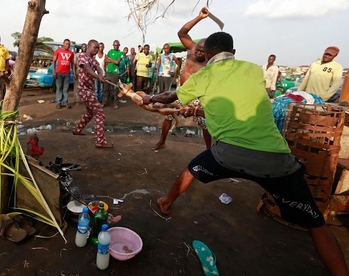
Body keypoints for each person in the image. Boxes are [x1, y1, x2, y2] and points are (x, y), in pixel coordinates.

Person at [142, 31, 349, 276]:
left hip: (229, 153)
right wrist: (198, 111)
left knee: (190, 171)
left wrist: (150, 97)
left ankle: (166, 204)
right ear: (234, 52)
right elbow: (233, 108)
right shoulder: (253, 70)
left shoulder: (203, 75)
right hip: (276, 157)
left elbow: (168, 97)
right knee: (317, 224)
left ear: (207, 54)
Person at [152, 7, 211, 151]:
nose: (199, 53)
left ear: (209, 52)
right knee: (168, 114)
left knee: (204, 123)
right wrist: (199, 17)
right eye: (198, 50)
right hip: (182, 91)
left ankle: (210, 150)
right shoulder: (191, 48)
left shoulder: (209, 61)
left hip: (197, 96)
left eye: (203, 52)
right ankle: (162, 141)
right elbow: (182, 32)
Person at [72, 39, 112, 148]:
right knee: (99, 113)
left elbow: (98, 67)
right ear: (89, 46)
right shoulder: (83, 56)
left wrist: (100, 74)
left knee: (90, 113)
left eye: (98, 47)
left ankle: (77, 130)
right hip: (84, 89)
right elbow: (87, 68)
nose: (97, 49)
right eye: (95, 47)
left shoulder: (92, 59)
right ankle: (100, 141)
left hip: (89, 90)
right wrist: (97, 76)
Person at [52, 39, 74, 109]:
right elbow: (54, 61)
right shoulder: (58, 51)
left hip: (67, 73)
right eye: (66, 44)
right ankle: (58, 102)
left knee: (66, 89)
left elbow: (72, 63)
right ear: (63, 44)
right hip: (59, 73)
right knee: (59, 88)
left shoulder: (71, 53)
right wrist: (54, 71)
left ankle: (65, 102)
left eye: (69, 44)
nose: (67, 45)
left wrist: (74, 73)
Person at [102, 40, 123, 109]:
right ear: (113, 45)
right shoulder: (110, 51)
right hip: (108, 72)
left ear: (119, 45)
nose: (115, 46)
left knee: (115, 89)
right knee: (106, 88)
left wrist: (110, 59)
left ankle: (116, 103)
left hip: (115, 73)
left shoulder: (120, 53)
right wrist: (113, 60)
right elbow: (105, 60)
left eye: (117, 45)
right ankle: (104, 102)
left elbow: (117, 62)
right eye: (114, 45)